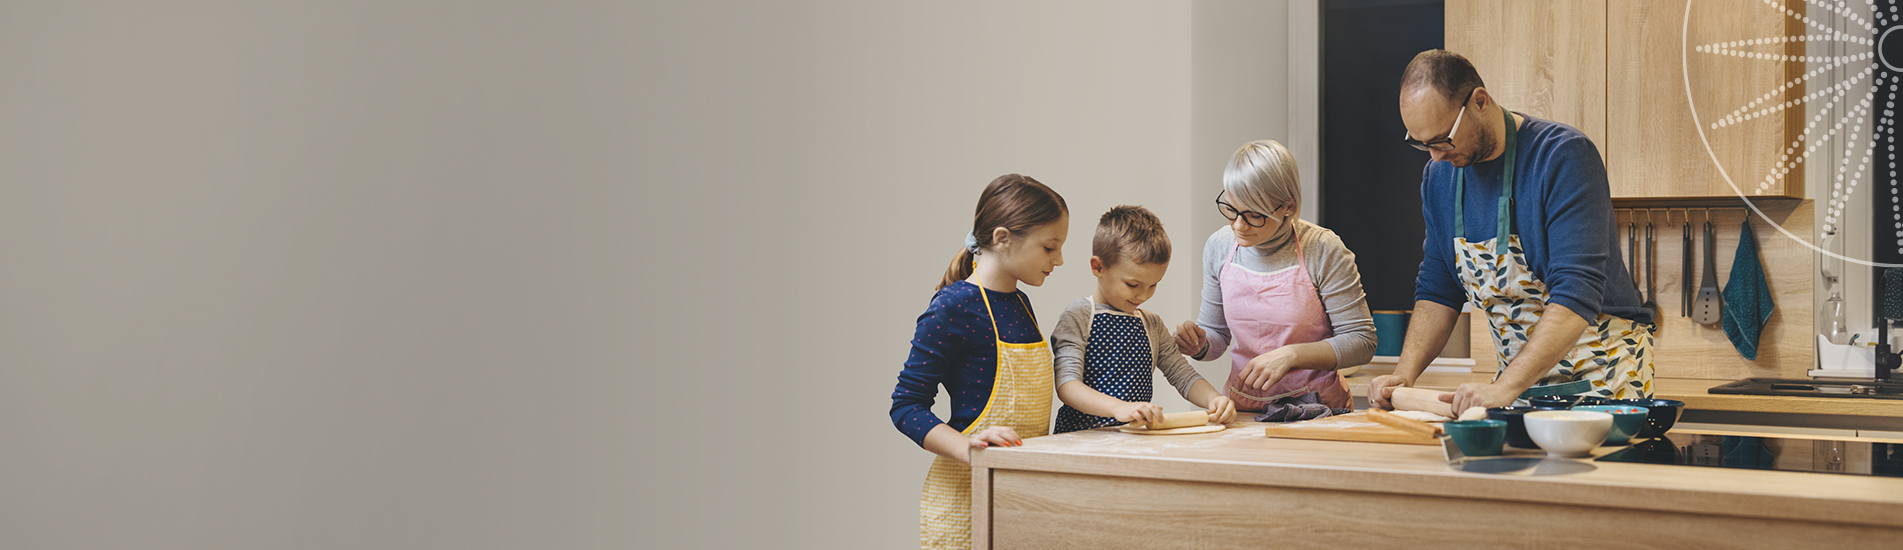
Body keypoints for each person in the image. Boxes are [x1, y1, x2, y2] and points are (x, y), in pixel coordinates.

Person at [1369, 50, 1655, 415]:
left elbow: (1576, 291)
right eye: (1422, 144)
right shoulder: (1439, 177)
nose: (1436, 157)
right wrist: (1404, 375)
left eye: (1443, 140)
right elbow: (1438, 287)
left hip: (1603, 379)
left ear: (1480, 101)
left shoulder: (1562, 156)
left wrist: (1506, 386)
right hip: (1516, 387)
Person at [889, 174, 1067, 550]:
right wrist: (969, 447)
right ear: (1002, 238)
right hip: (964, 502)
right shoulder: (952, 307)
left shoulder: (1021, 303)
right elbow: (905, 406)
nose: (1060, 260)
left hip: (1019, 498)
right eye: (1050, 247)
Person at [1172, 140, 1377, 412]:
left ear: (1287, 207)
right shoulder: (1219, 247)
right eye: (1231, 209)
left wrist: (1292, 356)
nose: (1238, 225)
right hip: (1243, 409)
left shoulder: (1323, 249)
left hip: (1317, 411)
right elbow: (1217, 339)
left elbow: (1361, 341)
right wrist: (1199, 345)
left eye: (1254, 215)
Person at [1051, 205, 1237, 433]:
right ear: (1098, 267)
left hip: (1132, 439)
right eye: (1132, 284)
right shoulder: (1079, 316)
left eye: (1153, 285)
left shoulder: (1152, 324)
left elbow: (1183, 376)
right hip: (1078, 439)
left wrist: (1214, 400)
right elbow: (1067, 385)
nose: (1143, 295)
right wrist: (1119, 408)